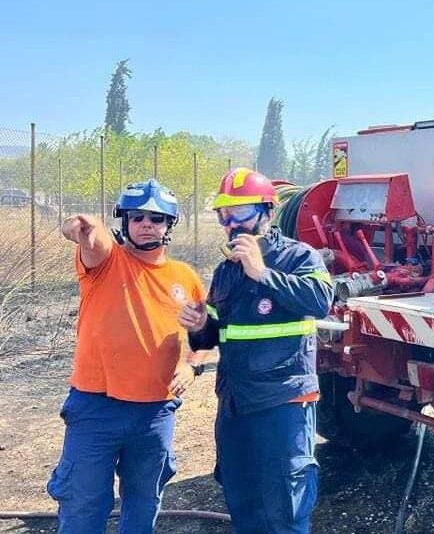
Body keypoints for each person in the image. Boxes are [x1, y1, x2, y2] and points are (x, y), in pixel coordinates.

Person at [178, 167, 334, 534]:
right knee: (241, 492)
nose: (231, 223)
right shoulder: (225, 271)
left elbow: (320, 300)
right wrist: (200, 325)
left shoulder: (300, 257)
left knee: (285, 502)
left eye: (241, 211)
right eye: (223, 214)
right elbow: (213, 337)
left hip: (282, 403)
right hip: (235, 403)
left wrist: (262, 272)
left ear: (267, 211)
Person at [47, 178, 206, 533]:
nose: (147, 224)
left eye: (156, 218)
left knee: (143, 501)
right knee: (84, 503)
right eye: (137, 217)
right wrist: (81, 227)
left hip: (155, 413)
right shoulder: (105, 262)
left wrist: (191, 366)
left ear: (169, 225)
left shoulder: (186, 278)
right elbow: (91, 235)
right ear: (124, 222)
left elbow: (202, 335)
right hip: (96, 408)